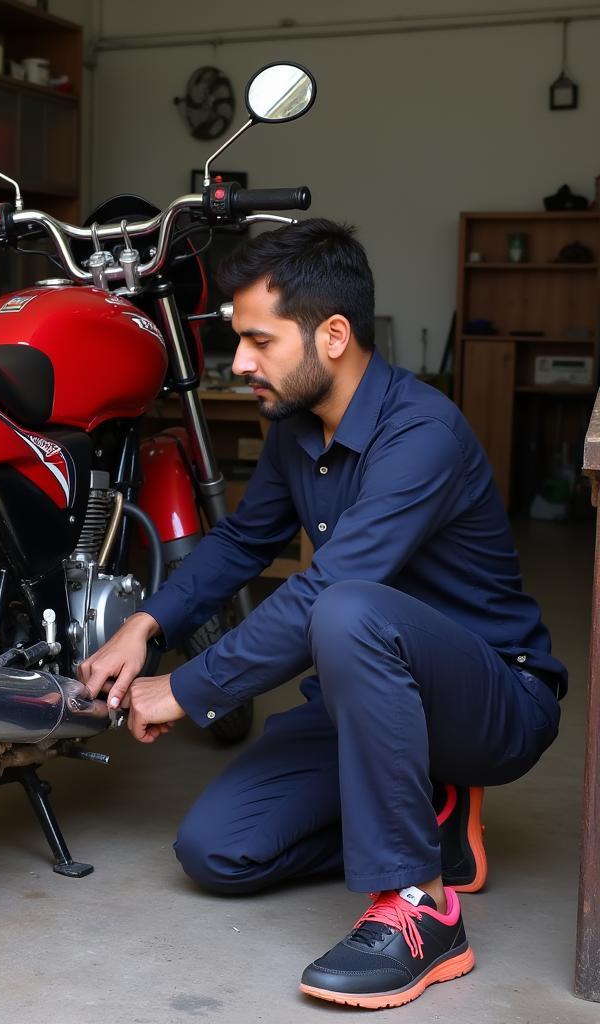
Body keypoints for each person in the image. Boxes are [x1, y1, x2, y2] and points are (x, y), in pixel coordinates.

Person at [78, 218, 565, 1010]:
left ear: (333, 335)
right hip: (360, 698)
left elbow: (323, 593)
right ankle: (428, 813)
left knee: (343, 608)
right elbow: (241, 540)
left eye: (261, 342)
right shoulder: (296, 429)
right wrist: (150, 623)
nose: (239, 363)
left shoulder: (422, 433)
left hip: (493, 700)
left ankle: (424, 908)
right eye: (238, 340)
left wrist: (187, 688)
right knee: (215, 852)